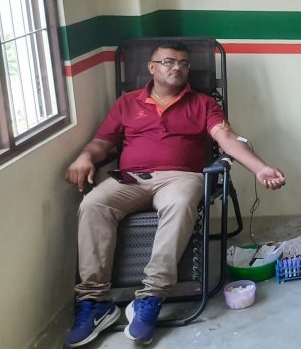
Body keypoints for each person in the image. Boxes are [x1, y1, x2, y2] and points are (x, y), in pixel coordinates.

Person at [63, 42, 286, 347]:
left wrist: (259, 168)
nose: (177, 67)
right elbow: (102, 142)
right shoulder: (127, 102)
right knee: (93, 204)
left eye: (183, 63)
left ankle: (151, 296)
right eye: (168, 62)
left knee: (180, 203)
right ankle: (94, 302)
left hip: (180, 178)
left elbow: (227, 139)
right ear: (152, 67)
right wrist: (85, 157)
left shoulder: (203, 103)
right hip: (130, 179)